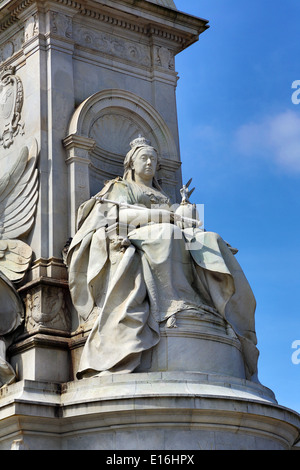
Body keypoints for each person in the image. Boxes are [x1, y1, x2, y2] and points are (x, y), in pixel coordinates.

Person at [67, 136, 259, 380]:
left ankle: (215, 307)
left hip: (165, 231)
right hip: (137, 232)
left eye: (153, 159)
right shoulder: (120, 188)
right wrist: (162, 216)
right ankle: (173, 303)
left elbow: (184, 218)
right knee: (167, 234)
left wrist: (184, 210)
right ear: (131, 164)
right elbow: (113, 214)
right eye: (144, 158)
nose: (149, 163)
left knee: (212, 239)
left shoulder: (161, 194)